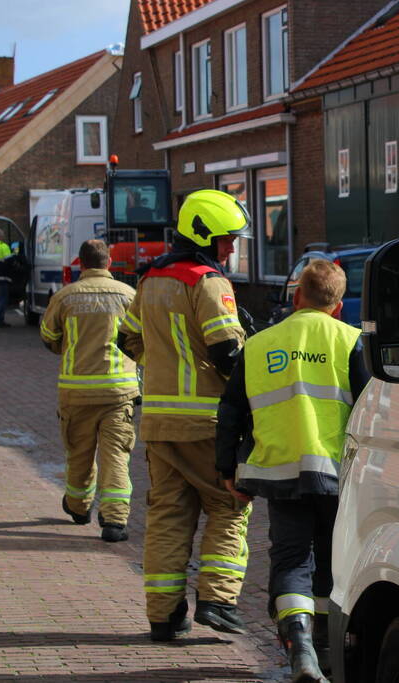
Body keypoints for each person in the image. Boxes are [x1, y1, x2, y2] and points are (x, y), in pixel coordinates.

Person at [216, 259, 369, 683]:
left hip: (279, 474)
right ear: (337, 306)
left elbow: (230, 410)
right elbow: (371, 412)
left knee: (290, 559)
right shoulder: (352, 341)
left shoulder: (260, 344)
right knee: (333, 564)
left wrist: (227, 467)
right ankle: (325, 650)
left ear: (297, 295)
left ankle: (300, 646)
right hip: (339, 477)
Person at [116, 189, 251, 643]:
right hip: (206, 424)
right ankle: (216, 600)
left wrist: (163, 364)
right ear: (203, 237)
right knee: (229, 506)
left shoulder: (151, 279)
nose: (231, 248)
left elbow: (127, 340)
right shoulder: (207, 282)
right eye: (226, 240)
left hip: (158, 423)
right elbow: (229, 352)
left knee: (168, 517)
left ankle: (163, 615)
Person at [40, 239, 139, 542]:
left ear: (80, 264)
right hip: (118, 392)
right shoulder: (129, 295)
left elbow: (48, 336)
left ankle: (79, 507)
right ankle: (115, 522)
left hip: (77, 392)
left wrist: (68, 346)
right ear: (109, 263)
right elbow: (141, 337)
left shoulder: (65, 297)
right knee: (116, 456)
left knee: (79, 453)